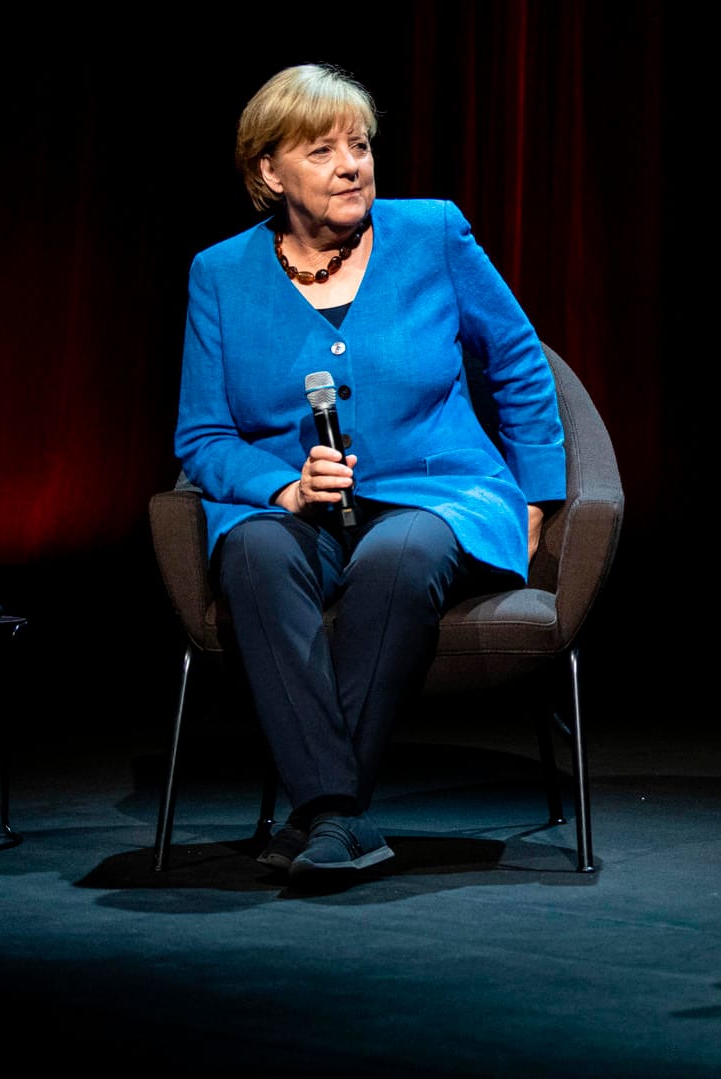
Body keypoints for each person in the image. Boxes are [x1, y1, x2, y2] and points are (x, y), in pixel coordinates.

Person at [175, 65, 565, 881]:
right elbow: (204, 435)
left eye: (360, 144)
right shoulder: (219, 274)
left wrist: (538, 495)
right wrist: (282, 488)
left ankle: (319, 812)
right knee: (251, 551)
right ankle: (339, 816)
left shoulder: (433, 233)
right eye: (323, 150)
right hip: (302, 514)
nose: (353, 164)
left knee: (402, 552)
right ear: (270, 173)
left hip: (442, 497)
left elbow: (521, 363)